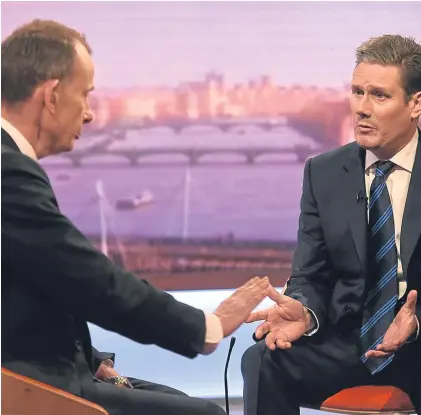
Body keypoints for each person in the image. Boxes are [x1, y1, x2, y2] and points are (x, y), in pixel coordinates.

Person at [1, 19, 273, 415]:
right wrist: (205, 327)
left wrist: (95, 360)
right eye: (86, 95)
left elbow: (39, 280)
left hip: (48, 368)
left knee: (180, 403)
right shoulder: (9, 172)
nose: (91, 114)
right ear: (52, 96)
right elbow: (89, 278)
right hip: (30, 384)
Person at [241, 34, 421, 415]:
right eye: (357, 92)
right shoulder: (323, 173)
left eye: (379, 95)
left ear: (416, 103)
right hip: (348, 335)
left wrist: (416, 321)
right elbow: (310, 273)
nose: (362, 108)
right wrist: (307, 312)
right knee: (262, 359)